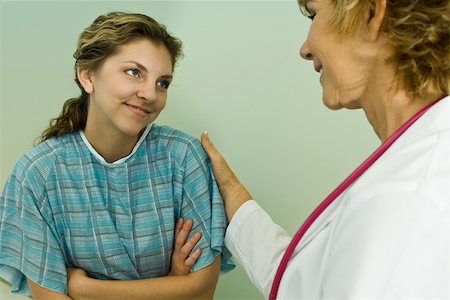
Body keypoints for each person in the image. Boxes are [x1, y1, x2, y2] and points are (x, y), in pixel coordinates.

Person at [199, 0, 449, 299]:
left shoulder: (412, 193)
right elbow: (303, 282)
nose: (304, 48)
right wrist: (229, 190)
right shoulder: (415, 159)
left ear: (372, 14)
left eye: (313, 13)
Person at [0, 12, 233, 300]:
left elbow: (202, 291)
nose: (150, 93)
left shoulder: (183, 158)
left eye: (163, 83)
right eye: (134, 72)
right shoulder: (38, 175)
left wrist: (86, 289)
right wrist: (171, 285)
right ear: (87, 75)